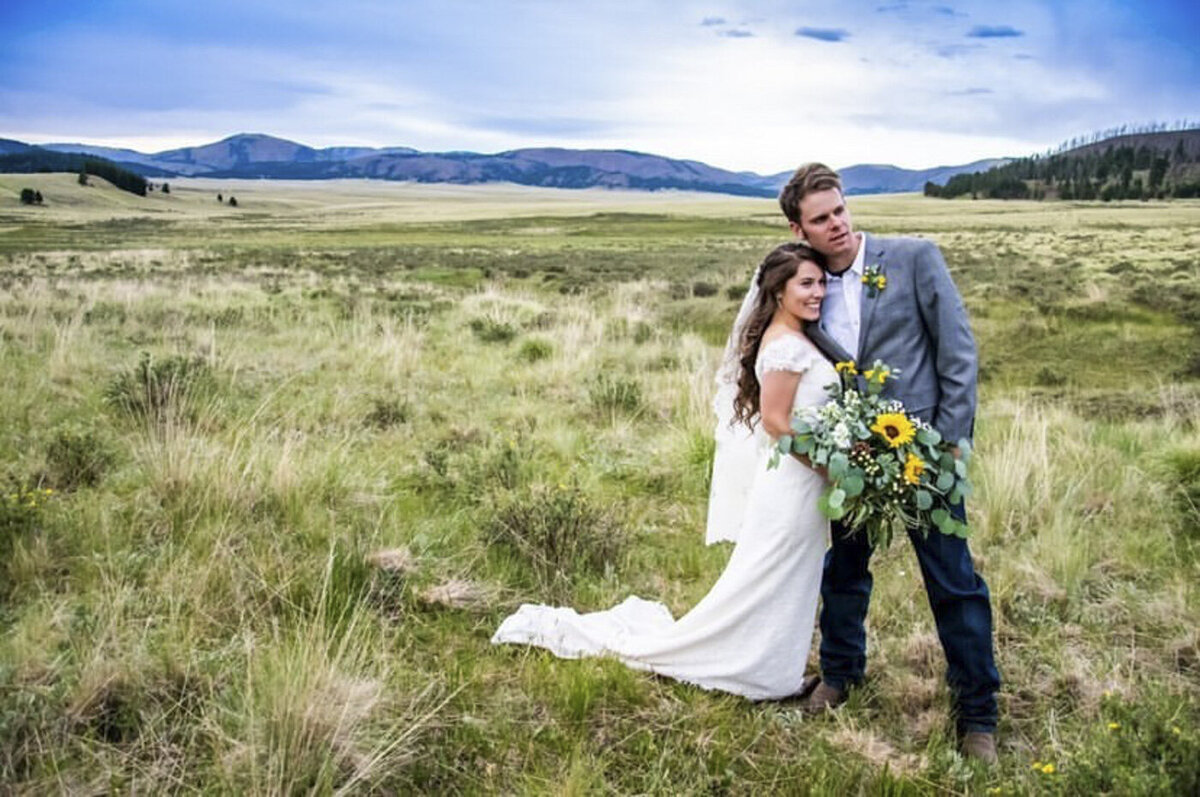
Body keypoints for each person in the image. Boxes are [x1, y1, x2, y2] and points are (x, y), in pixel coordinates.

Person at [492, 243, 835, 700]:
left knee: (782, 576)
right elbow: (775, 422)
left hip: (798, 481)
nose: (818, 292)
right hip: (793, 482)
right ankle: (748, 668)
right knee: (764, 578)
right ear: (777, 292)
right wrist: (831, 465)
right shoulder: (786, 346)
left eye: (821, 281)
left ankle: (769, 665)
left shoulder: (795, 336)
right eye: (806, 283)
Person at [778, 163, 1000, 764]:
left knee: (952, 580)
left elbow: (958, 351)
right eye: (821, 220)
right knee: (844, 572)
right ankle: (840, 675)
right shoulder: (808, 282)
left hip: (924, 453)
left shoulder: (915, 258)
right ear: (800, 227)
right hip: (850, 457)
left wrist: (953, 441)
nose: (838, 226)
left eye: (841, 211)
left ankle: (978, 712)